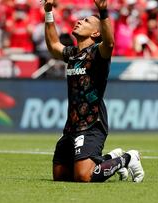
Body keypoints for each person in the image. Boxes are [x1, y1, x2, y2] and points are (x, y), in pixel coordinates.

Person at [43, 0, 145, 182]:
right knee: (61, 176)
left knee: (83, 175)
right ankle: (108, 159)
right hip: (72, 125)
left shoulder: (99, 53)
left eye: (86, 21)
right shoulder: (73, 54)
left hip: (92, 123)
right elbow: (53, 46)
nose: (80, 21)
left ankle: (128, 158)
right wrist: (49, 11)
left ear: (96, 32)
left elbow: (110, 43)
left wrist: (103, 11)